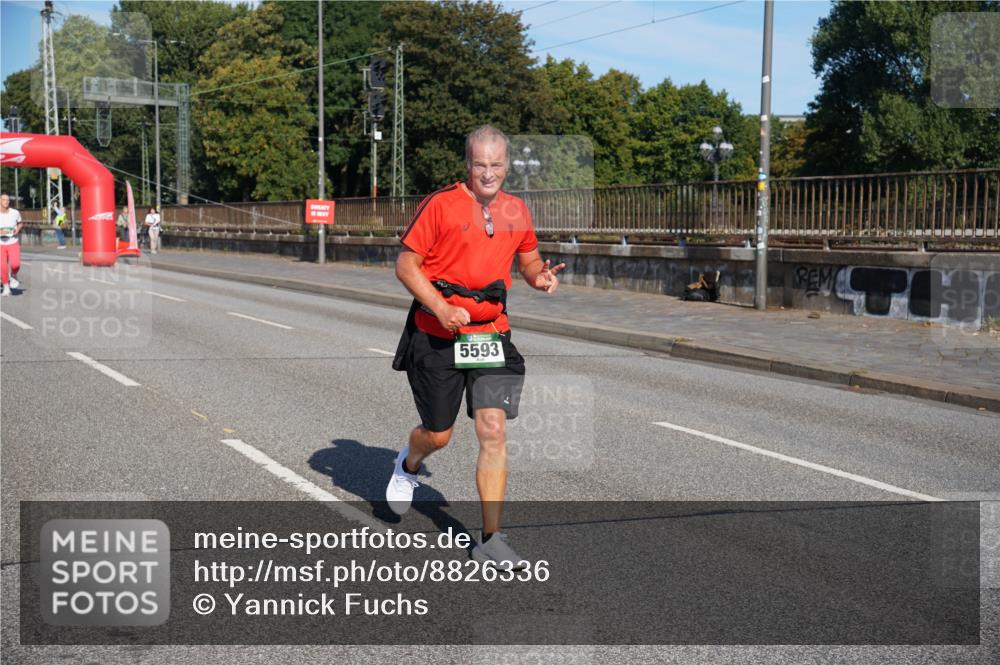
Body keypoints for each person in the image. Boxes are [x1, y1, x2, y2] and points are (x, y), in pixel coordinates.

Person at [386, 125, 565, 569]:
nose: (489, 173)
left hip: (490, 335)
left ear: (508, 165)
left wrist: (540, 275)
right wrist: (441, 307)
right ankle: (408, 464)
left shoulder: (516, 209)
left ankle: (490, 538)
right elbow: (406, 265)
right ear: (467, 164)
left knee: (493, 429)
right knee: (439, 435)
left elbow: (526, 259)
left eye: (497, 164)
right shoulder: (441, 205)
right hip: (438, 335)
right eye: (481, 164)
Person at [0, 193, 24, 296]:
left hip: (13, 242)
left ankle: (13, 275)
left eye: (8, 200)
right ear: (0, 201)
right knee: (3, 267)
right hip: (0, 244)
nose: (6, 201)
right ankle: (6, 288)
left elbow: (21, 223)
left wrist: (17, 230)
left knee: (15, 264)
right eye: (4, 199)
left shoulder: (15, 213)